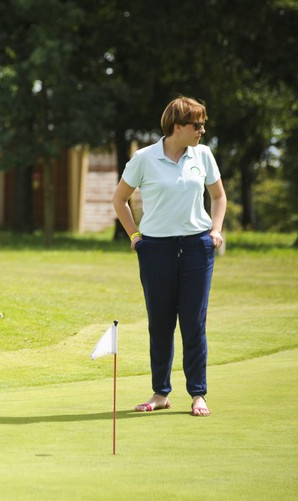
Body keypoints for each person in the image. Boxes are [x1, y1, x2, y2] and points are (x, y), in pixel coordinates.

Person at [112, 96, 227, 417]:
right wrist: (135, 236)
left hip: (196, 248)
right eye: (197, 125)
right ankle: (160, 392)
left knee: (193, 323)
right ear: (178, 127)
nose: (202, 130)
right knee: (160, 323)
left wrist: (215, 230)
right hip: (156, 250)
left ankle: (198, 394)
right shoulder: (144, 158)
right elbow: (120, 199)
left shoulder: (202, 155)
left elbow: (218, 197)